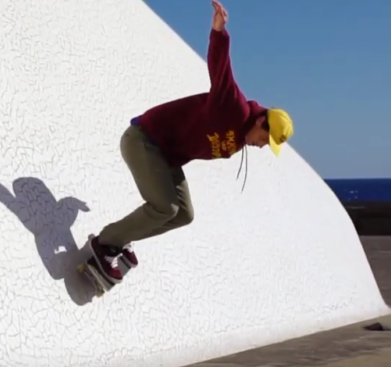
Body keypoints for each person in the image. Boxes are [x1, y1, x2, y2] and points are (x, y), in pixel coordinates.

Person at [88, 0, 294, 285]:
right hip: (144, 139)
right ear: (261, 121)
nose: (261, 146)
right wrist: (219, 33)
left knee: (184, 214)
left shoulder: (238, 143)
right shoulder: (234, 108)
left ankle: (121, 237)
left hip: (165, 157)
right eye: (265, 139)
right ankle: (105, 243)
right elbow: (221, 71)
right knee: (166, 208)